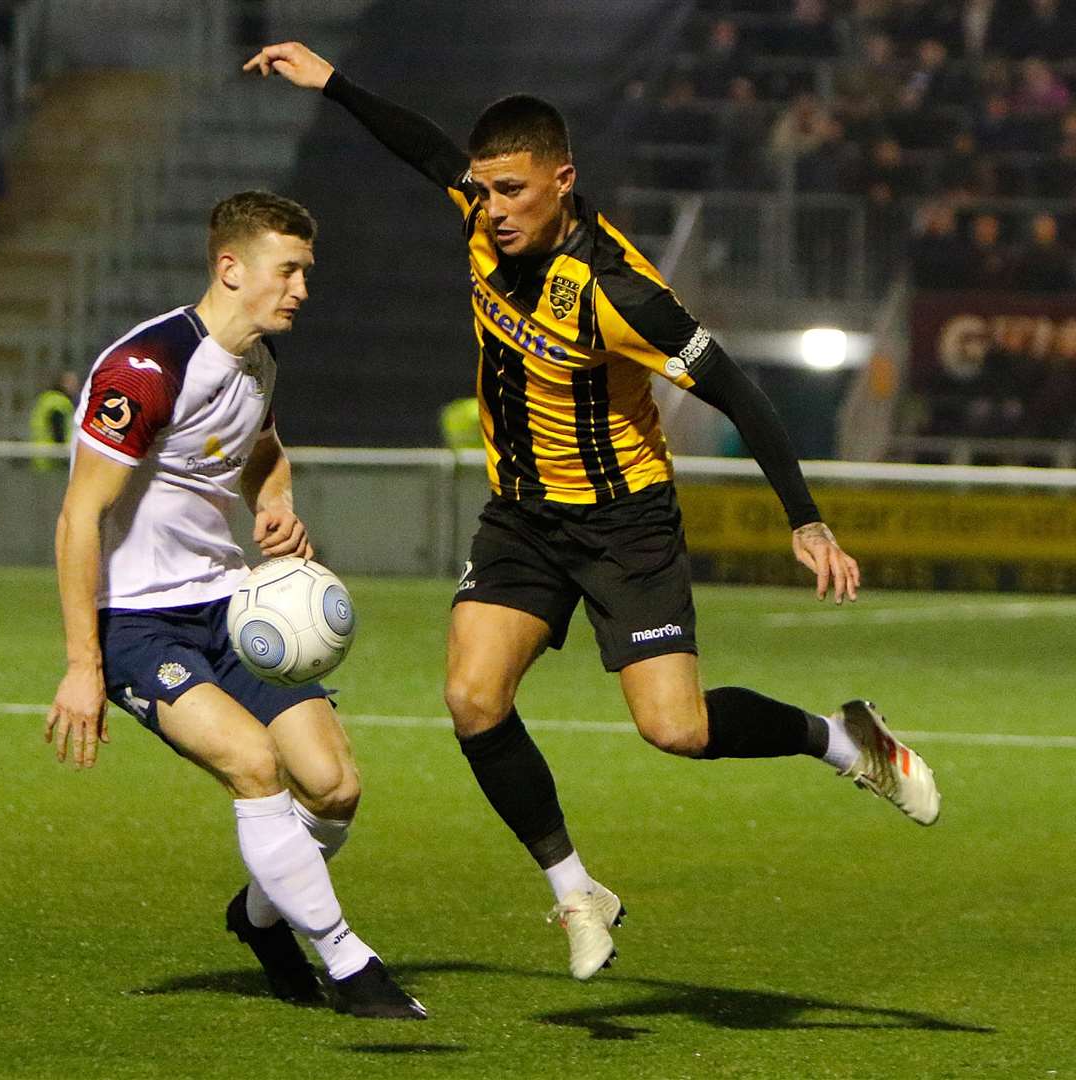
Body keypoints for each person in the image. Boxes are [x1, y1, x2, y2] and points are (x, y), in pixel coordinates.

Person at [246, 43, 942, 983]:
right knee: (471, 697)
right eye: (485, 190)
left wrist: (805, 517)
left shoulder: (622, 294)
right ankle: (576, 889)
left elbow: (739, 389)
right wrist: (331, 81)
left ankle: (841, 738)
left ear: (562, 181)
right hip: (525, 519)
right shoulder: (480, 217)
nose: (493, 209)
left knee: (676, 730)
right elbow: (420, 145)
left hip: (626, 525)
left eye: (513, 191)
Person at [44, 190, 426, 1020]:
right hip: (139, 623)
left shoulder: (258, 362)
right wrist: (84, 665)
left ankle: (258, 918)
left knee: (333, 787)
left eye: (304, 272)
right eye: (288, 271)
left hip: (228, 606)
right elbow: (81, 514)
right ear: (231, 267)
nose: (301, 289)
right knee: (254, 765)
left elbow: (261, 451)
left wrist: (275, 500)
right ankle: (349, 963)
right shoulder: (146, 371)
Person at [28, 369, 80, 472]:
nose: (75, 386)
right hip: (53, 458)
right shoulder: (59, 402)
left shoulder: (46, 399)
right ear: (62, 383)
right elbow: (58, 429)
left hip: (41, 456)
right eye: (71, 382)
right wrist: (64, 455)